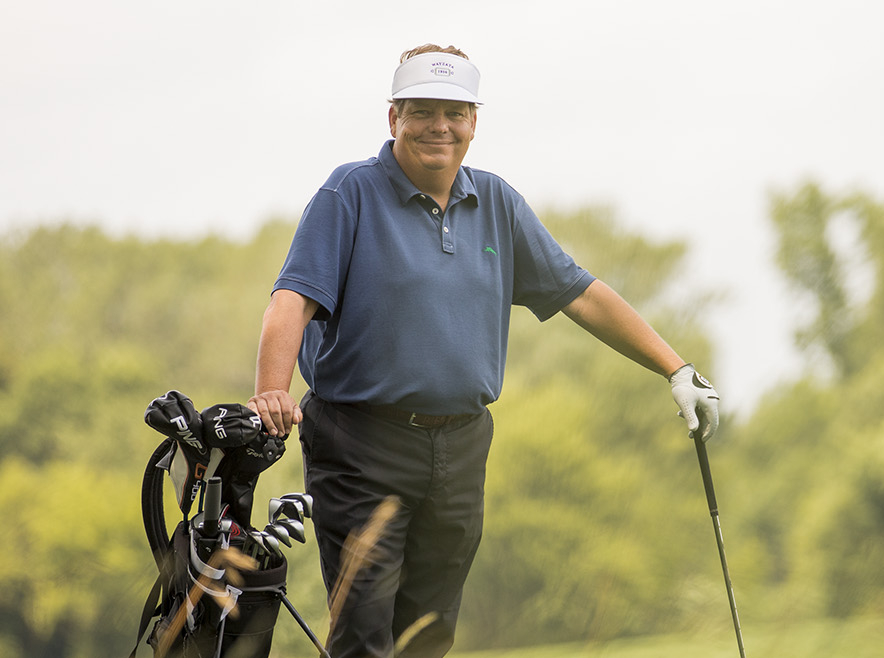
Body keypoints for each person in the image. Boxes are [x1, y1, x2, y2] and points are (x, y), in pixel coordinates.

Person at [244, 44, 721, 658]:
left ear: (474, 122)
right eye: (422, 111)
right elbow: (291, 301)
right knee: (365, 633)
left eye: (455, 111)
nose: (439, 126)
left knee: (429, 635)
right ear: (394, 117)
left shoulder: (495, 202)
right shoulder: (350, 193)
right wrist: (271, 394)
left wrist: (676, 369)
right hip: (361, 445)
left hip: (461, 447)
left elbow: (580, 294)